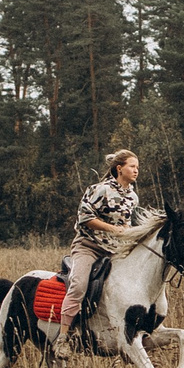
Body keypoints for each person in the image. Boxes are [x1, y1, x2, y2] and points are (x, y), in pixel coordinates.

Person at [55, 149, 142, 354]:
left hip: (115, 251)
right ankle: (63, 337)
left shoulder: (133, 197)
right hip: (89, 247)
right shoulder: (99, 189)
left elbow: (127, 225)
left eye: (138, 167)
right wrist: (113, 229)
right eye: (132, 166)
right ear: (119, 169)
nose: (136, 170)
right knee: (78, 286)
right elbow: (84, 218)